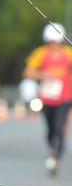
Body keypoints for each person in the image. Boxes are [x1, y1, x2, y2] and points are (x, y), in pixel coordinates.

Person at [23, 22, 72, 174]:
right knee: (51, 128)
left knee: (59, 125)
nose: (53, 46)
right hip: (46, 98)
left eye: (56, 42)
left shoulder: (69, 54)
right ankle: (54, 147)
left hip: (65, 97)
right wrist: (45, 75)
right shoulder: (40, 53)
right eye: (51, 42)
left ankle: (56, 154)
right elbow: (28, 73)